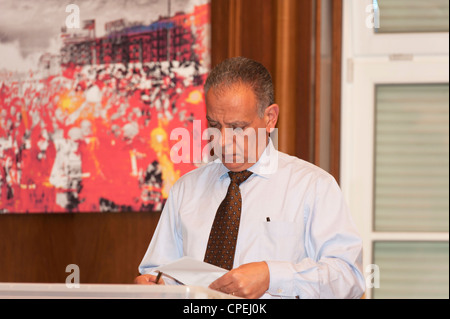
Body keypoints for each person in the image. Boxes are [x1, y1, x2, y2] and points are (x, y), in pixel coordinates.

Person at [134, 57, 365, 299]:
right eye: (214, 124)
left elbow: (349, 277)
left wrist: (271, 276)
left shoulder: (313, 186)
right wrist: (153, 286)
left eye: (237, 127)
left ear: (270, 118)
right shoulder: (186, 189)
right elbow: (159, 272)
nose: (222, 141)